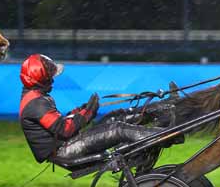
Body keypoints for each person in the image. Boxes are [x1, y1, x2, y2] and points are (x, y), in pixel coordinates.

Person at [19, 54, 164, 166]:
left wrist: (80, 111)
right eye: (50, 77)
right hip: (64, 151)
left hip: (64, 146)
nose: (53, 80)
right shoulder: (36, 103)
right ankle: (162, 136)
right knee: (117, 129)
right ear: (41, 80)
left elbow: (57, 124)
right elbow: (64, 129)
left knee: (114, 117)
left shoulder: (34, 97)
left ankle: (163, 109)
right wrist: (87, 113)